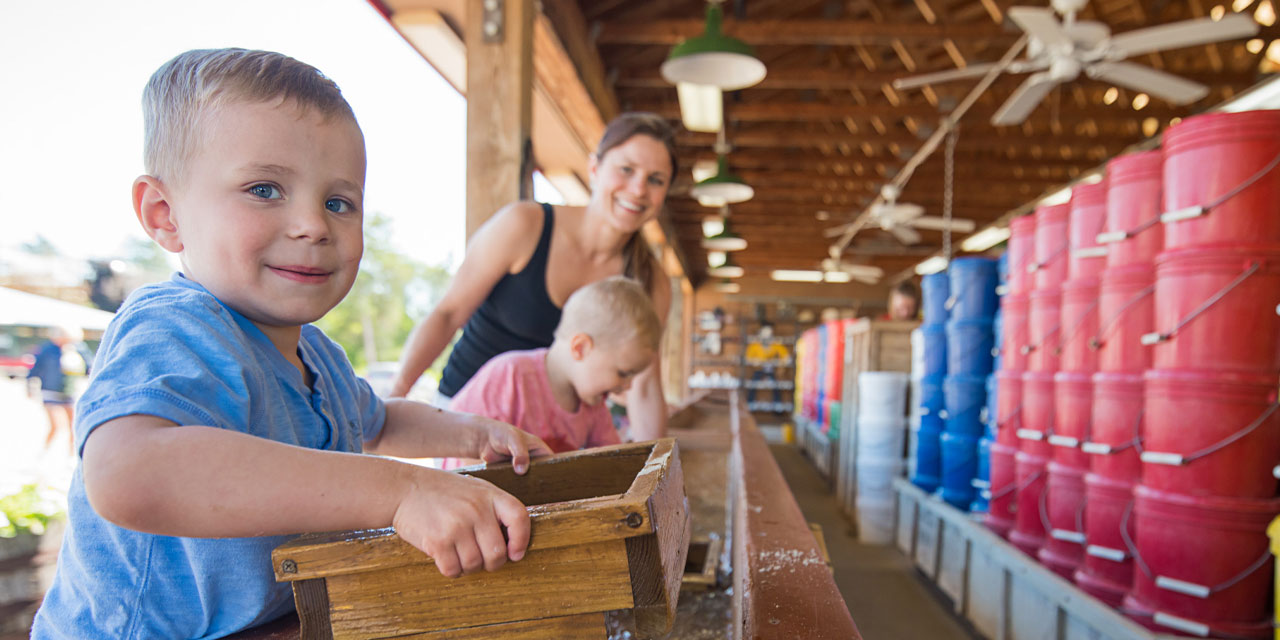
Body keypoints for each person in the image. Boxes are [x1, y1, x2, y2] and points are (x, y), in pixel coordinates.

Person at [31, 48, 551, 640]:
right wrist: (401, 489)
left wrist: (471, 433)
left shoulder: (319, 358)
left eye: (338, 202)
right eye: (264, 189)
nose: (313, 225)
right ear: (165, 214)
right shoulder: (176, 328)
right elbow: (128, 472)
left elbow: (378, 422)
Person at [388, 113, 676, 440]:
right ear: (595, 168)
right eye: (626, 170)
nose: (638, 189)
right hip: (467, 418)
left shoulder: (651, 282)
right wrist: (391, 404)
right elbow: (448, 314)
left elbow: (645, 386)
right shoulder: (524, 224)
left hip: (555, 436)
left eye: (656, 180)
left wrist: (660, 468)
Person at [444, 277, 661, 466]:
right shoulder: (511, 375)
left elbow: (613, 460)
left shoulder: (593, 405)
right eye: (623, 373)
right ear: (581, 348)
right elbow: (467, 445)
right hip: (467, 496)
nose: (629, 386)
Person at [26, 325, 91, 453]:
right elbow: (35, 369)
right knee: (56, 425)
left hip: (70, 391)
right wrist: (29, 386)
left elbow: (89, 367)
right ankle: (45, 453)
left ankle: (71, 454)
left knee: (73, 425)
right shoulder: (48, 349)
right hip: (50, 390)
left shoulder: (79, 349)